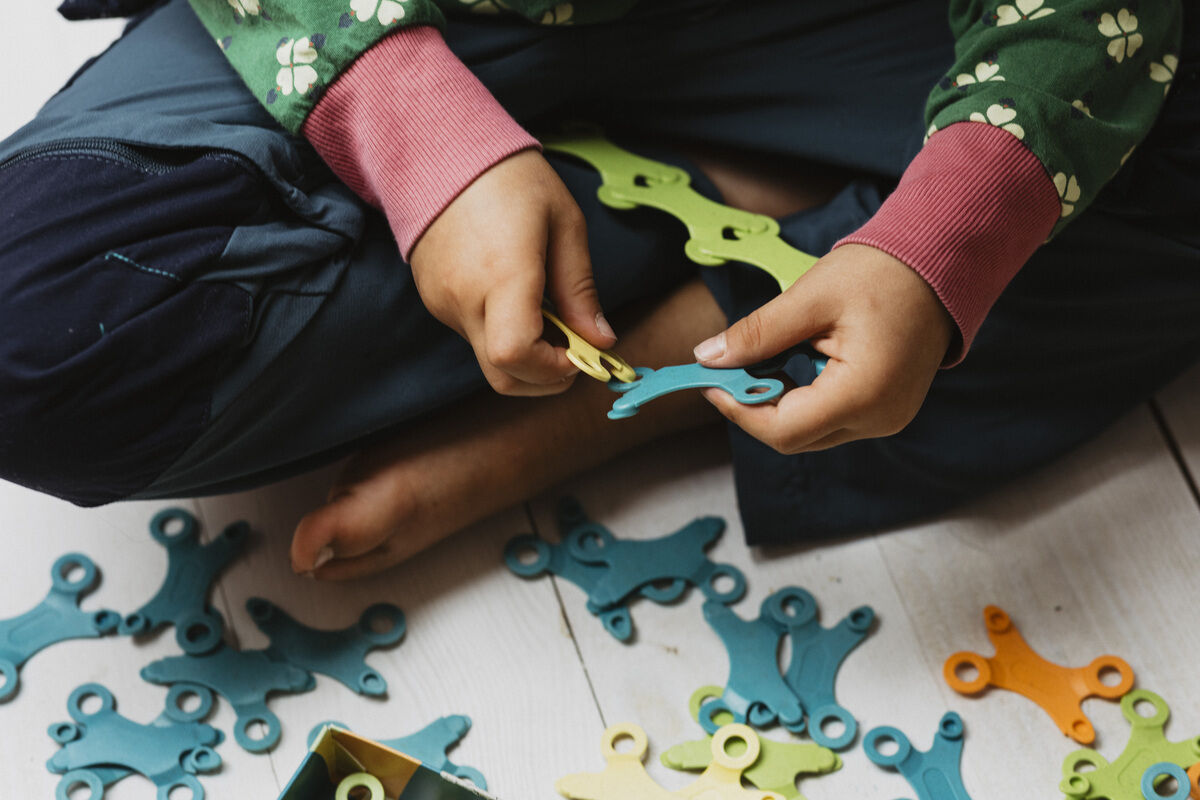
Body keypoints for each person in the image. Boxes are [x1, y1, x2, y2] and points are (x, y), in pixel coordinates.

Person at [0, 0, 1194, 579]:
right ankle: (745, 202)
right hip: (402, 15)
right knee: (33, 323)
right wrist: (418, 132)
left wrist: (955, 226)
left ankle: (658, 372)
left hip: (868, 28)